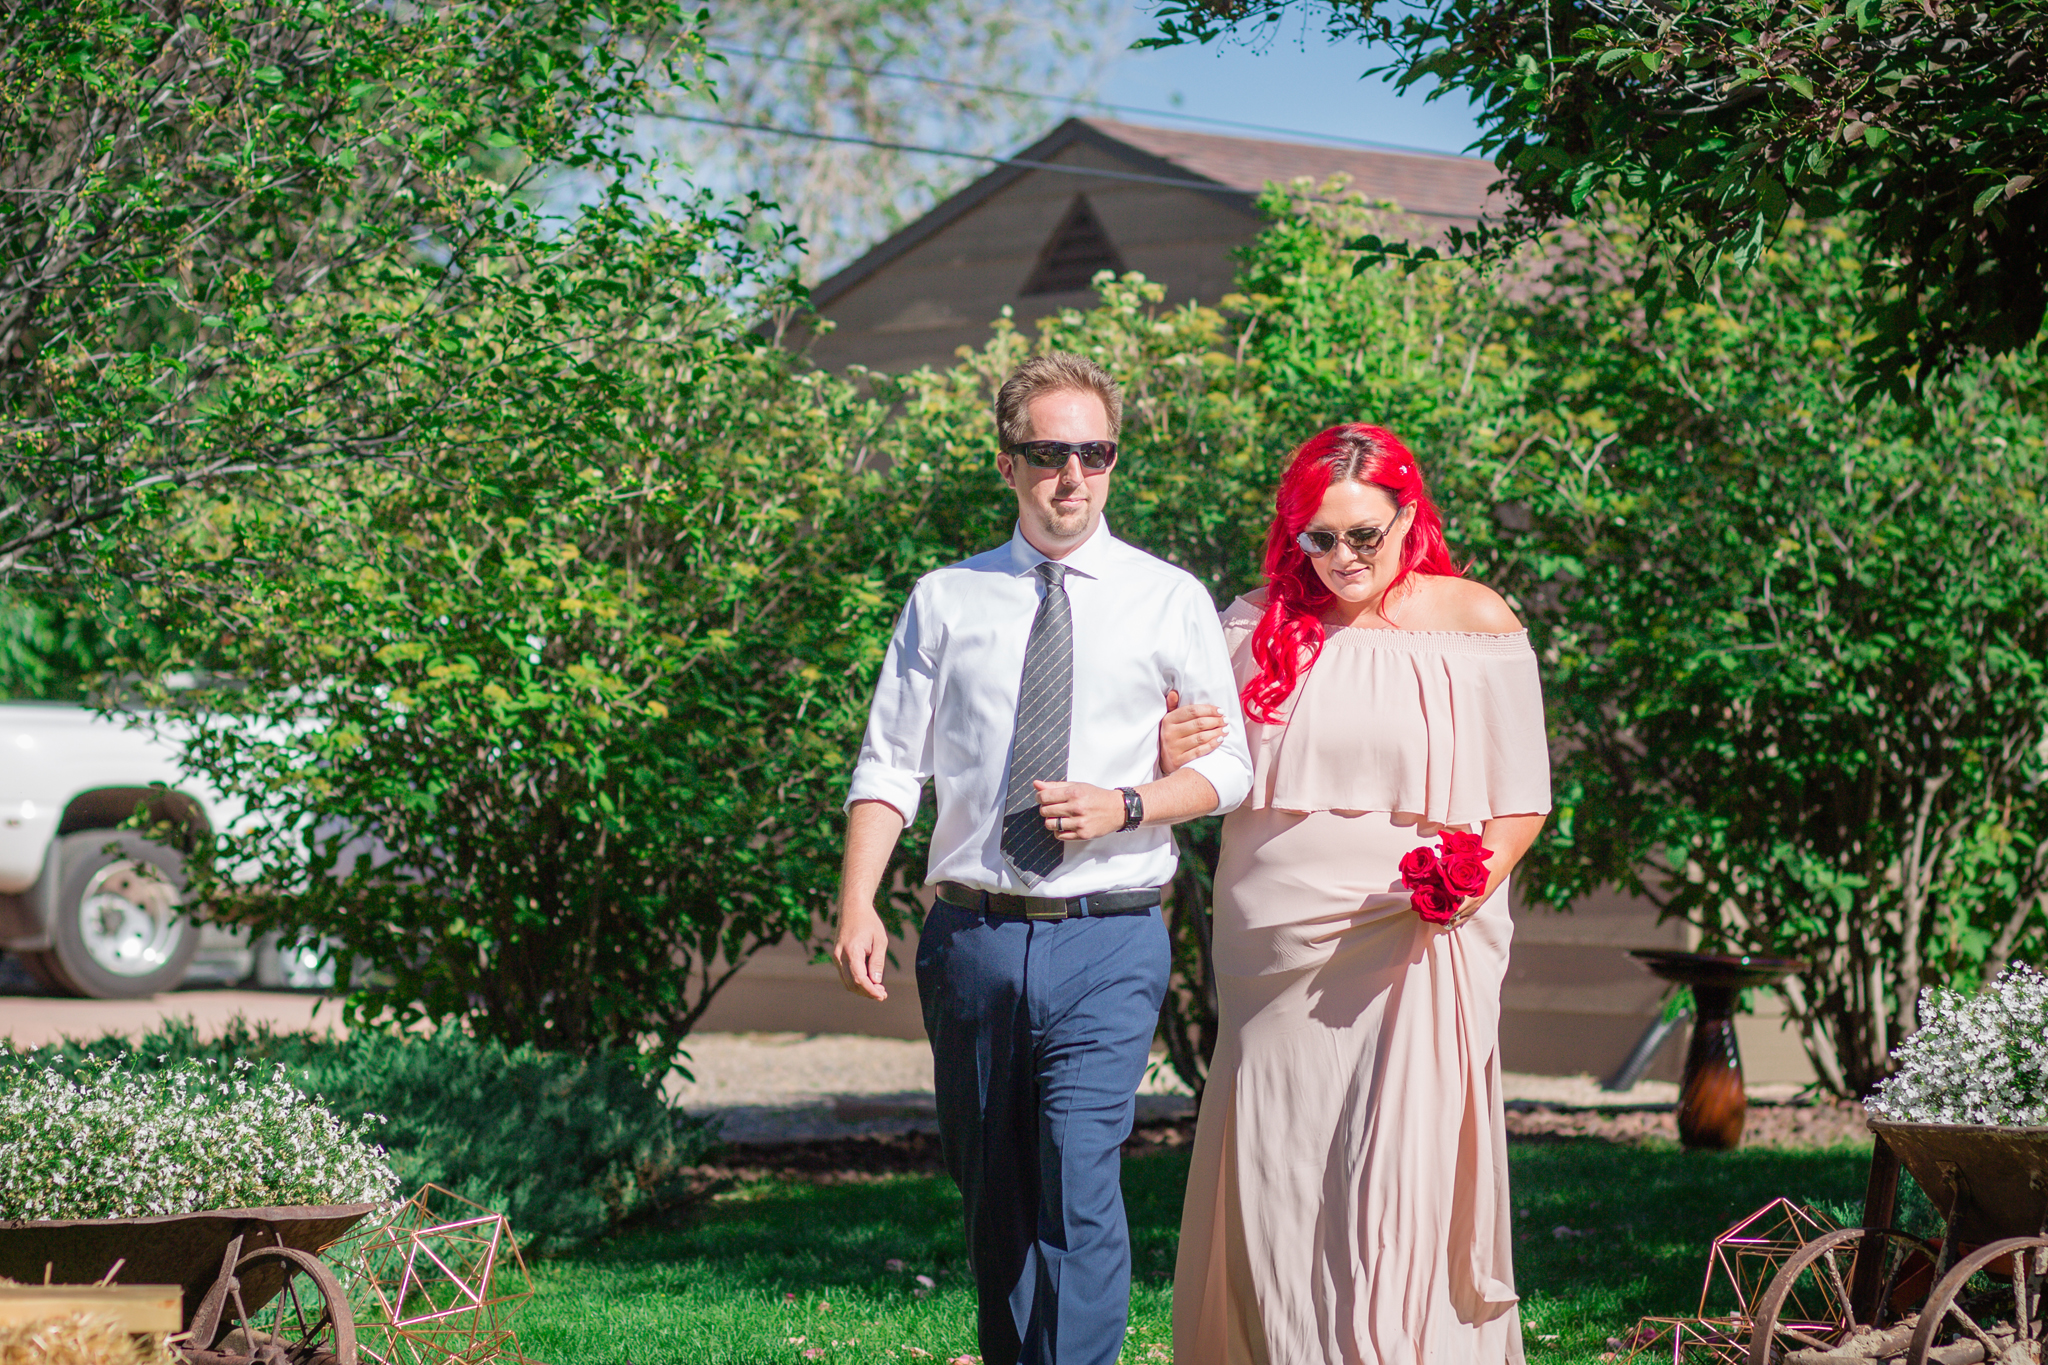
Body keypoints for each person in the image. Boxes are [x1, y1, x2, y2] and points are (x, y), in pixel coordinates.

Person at [833, 352, 1254, 1365]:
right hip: (971, 936)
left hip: (1107, 937)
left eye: (1094, 453)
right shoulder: (946, 600)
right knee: (996, 1202)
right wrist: (856, 906)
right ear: (1007, 463)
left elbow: (1231, 766)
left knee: (1078, 1178)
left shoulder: (1167, 599)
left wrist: (1125, 803)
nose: (1073, 476)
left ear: (1113, 462)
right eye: (1048, 453)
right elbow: (890, 764)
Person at [1159, 422, 1552, 1365]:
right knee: (1284, 1159)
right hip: (1275, 942)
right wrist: (1167, 752)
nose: (1341, 559)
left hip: (1417, 933)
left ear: (1408, 518)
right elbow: (1199, 768)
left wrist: (1466, 883)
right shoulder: (1249, 625)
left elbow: (1522, 802)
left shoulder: (1475, 622)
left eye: (1364, 536)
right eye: (1319, 539)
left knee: (1401, 1162)